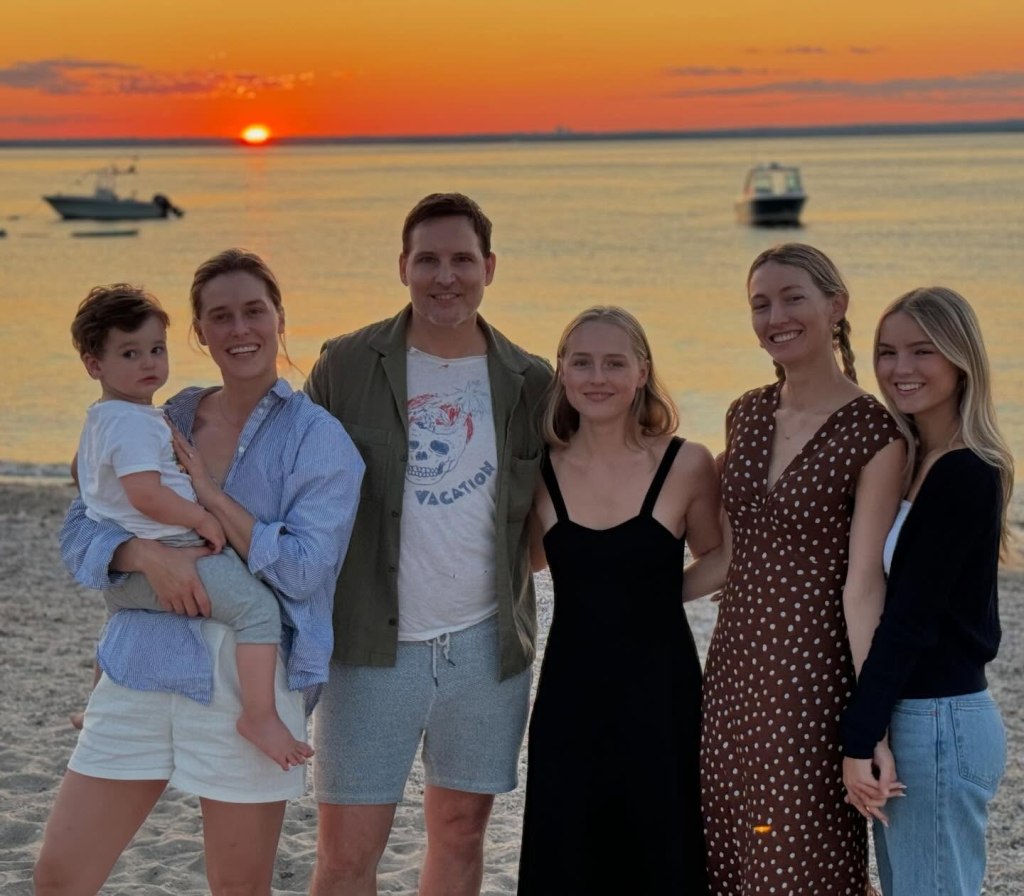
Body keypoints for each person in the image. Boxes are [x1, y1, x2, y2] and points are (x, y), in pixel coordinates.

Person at [35, 248, 364, 896]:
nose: (239, 329)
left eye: (253, 311)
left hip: (248, 690)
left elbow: (302, 575)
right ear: (198, 332)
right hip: (139, 668)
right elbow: (81, 527)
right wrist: (142, 555)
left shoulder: (320, 440)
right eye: (220, 316)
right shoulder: (165, 415)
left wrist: (214, 501)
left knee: (237, 889)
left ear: (278, 318)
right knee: (59, 877)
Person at [304, 192, 552, 896]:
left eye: (462, 260)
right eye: (429, 260)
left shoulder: (531, 381)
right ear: (403, 267)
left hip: (485, 648)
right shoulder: (345, 366)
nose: (447, 276)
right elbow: (292, 481)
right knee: (348, 855)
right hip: (370, 646)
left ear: (490, 267)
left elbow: (552, 513)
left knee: (461, 834)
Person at [686, 243, 906, 894]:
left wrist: (874, 727)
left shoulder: (876, 433)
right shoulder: (746, 414)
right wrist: (637, 598)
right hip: (730, 678)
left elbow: (864, 588)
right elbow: (729, 555)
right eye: (759, 304)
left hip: (811, 682)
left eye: (792, 298)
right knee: (732, 851)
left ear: (836, 307)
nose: (774, 316)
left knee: (804, 860)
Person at [516, 306, 720, 894]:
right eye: (581, 362)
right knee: (568, 855)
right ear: (561, 372)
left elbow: (718, 556)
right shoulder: (539, 470)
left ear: (641, 373)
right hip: (568, 699)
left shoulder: (687, 463)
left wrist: (655, 596)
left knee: (664, 851)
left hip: (662, 693)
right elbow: (528, 561)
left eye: (614, 363)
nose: (597, 377)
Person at [70, 283, 310, 770]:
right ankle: (260, 716)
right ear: (95, 365)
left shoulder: (105, 418)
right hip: (175, 548)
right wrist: (200, 515)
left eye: (156, 349)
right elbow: (146, 495)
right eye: (130, 353)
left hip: (124, 581)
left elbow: (85, 476)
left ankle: (97, 702)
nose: (149, 363)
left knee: (116, 622)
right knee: (258, 613)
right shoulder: (135, 423)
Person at [841, 287, 1012, 895]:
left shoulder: (965, 471)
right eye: (887, 352)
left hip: (937, 724)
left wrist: (859, 739)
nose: (900, 369)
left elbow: (908, 621)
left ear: (960, 358)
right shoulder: (917, 459)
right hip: (922, 719)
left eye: (922, 351)